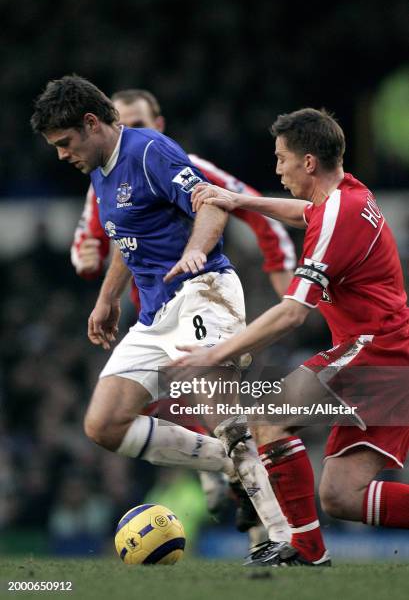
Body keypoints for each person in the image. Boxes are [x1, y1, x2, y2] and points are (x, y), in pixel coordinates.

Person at [30, 75, 293, 562]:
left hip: (202, 292)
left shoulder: (151, 151)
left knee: (224, 418)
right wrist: (107, 299)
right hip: (154, 314)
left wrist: (195, 251)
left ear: (91, 123)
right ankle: (234, 465)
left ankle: (284, 538)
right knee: (104, 424)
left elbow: (211, 204)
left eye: (65, 143)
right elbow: (126, 241)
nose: (62, 154)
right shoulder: (99, 169)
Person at [173, 107, 409, 566]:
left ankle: (306, 551)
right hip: (389, 352)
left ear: (308, 163)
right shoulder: (346, 195)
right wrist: (243, 202)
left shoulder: (341, 213)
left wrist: (218, 353)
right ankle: (308, 549)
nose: (276, 168)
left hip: (376, 350)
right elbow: (307, 212)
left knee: (268, 419)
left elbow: (292, 314)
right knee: (343, 495)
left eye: (281, 159)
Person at [71, 89, 296, 298]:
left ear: (158, 125)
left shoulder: (190, 167)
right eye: (122, 126)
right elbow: (87, 244)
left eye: (138, 125)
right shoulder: (102, 180)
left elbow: (259, 210)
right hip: (147, 310)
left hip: (198, 297)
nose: (129, 134)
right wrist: (86, 261)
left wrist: (281, 270)